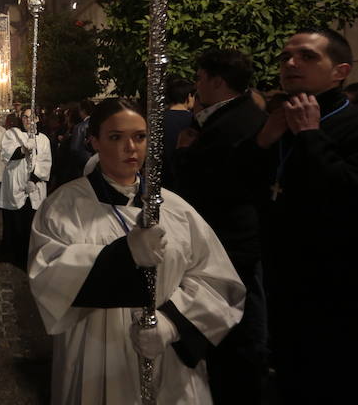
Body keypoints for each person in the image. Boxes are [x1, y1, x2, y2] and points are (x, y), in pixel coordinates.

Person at [29, 98, 245, 405]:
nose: (131, 147)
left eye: (140, 137)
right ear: (94, 141)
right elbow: (47, 274)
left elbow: (218, 281)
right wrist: (122, 255)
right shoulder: (64, 207)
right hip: (96, 355)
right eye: (116, 137)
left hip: (166, 361)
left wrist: (172, 324)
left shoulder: (176, 210)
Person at [240, 28, 358, 403]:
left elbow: (357, 199)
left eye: (308, 56)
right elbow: (239, 190)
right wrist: (262, 141)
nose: (291, 63)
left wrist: (311, 135)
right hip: (292, 298)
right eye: (285, 57)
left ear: (340, 71)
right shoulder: (276, 125)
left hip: (356, 303)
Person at [172, 49, 268, 405]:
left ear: (217, 80)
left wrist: (184, 154)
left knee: (237, 337)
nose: (196, 87)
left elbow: (210, 180)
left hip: (230, 241)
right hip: (227, 238)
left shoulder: (234, 122)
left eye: (199, 78)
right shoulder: (233, 116)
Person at [0, 108, 51, 268]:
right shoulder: (12, 134)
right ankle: (11, 253)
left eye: (32, 117)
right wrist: (22, 149)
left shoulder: (43, 139)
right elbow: (7, 155)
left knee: (30, 222)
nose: (29, 120)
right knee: (14, 222)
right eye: (25, 117)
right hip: (15, 185)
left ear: (37, 119)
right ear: (21, 119)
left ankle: (28, 255)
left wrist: (34, 180)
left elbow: (45, 161)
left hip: (33, 187)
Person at [162, 77, 194, 190]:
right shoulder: (194, 121)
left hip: (161, 182)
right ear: (189, 97)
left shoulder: (158, 120)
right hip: (184, 182)